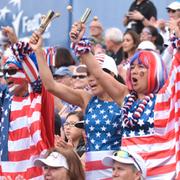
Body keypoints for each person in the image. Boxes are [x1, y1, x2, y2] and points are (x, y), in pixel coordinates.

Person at [69, 21, 179, 179]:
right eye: (132, 67)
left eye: (142, 67)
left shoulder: (165, 98)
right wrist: (81, 44)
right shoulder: (127, 98)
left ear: (156, 71)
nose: (134, 71)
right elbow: (98, 73)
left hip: (159, 174)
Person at [30, 32, 123, 179]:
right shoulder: (86, 99)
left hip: (118, 173)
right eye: (88, 75)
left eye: (96, 74)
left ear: (112, 76)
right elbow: (51, 86)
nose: (91, 79)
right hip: (91, 173)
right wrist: (39, 52)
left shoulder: (126, 99)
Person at [0, 40, 54, 178]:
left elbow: (37, 80)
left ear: (26, 73)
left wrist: (24, 57)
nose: (7, 76)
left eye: (11, 71)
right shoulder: (4, 100)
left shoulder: (37, 96)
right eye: (4, 72)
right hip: (7, 173)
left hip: (37, 173)